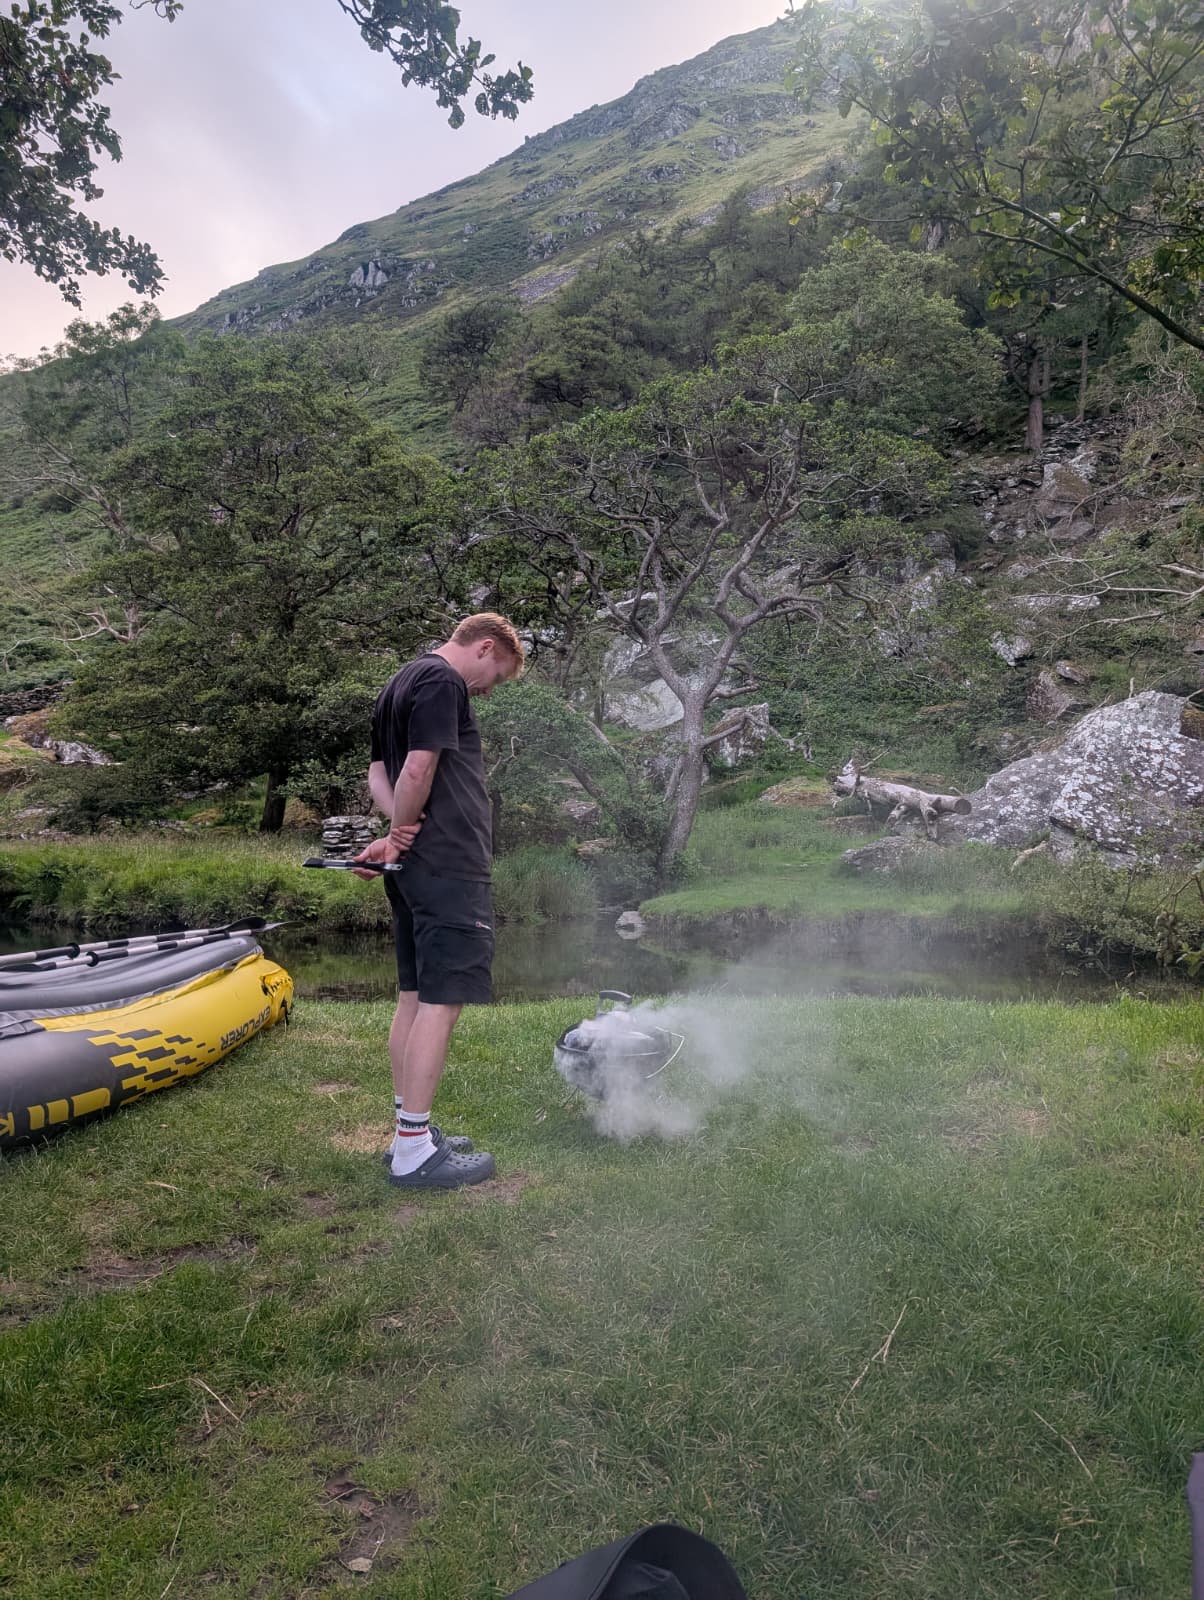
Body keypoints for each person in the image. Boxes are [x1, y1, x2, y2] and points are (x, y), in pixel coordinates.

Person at [355, 613, 524, 1189]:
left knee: (414, 995)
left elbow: (380, 773)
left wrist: (392, 834)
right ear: (484, 648)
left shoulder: (399, 681)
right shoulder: (443, 682)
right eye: (495, 676)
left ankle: (412, 1132)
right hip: (449, 861)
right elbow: (420, 766)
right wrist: (400, 832)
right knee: (442, 1001)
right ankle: (413, 1154)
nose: (488, 689)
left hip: (413, 866)